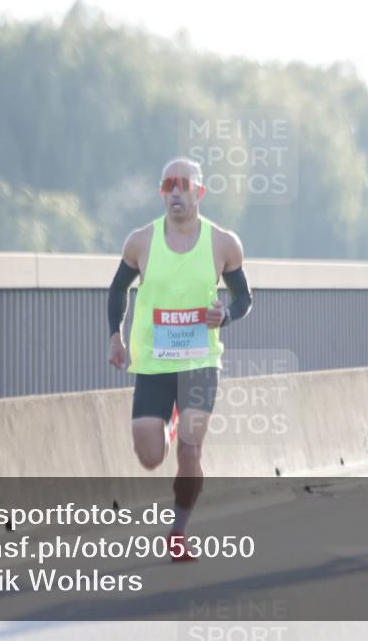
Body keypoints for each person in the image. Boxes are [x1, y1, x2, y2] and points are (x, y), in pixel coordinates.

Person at [107, 157, 252, 560]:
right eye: (168, 184)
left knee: (191, 449)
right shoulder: (141, 241)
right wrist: (114, 337)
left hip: (200, 363)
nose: (174, 191)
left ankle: (179, 530)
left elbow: (244, 299)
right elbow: (117, 290)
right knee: (150, 456)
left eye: (183, 184)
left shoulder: (223, 243)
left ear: (198, 192)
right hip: (153, 364)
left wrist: (226, 314)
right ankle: (165, 429)